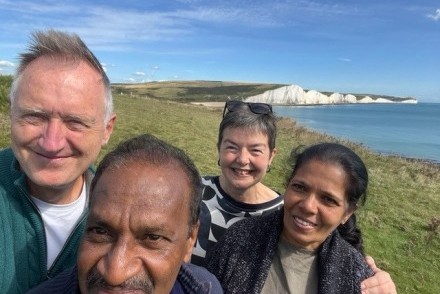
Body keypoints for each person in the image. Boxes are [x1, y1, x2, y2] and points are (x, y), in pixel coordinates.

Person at [27, 134, 223, 293]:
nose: (114, 273)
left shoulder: (204, 287)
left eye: (153, 238)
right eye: (100, 232)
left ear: (190, 240)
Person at [0, 29, 115, 293]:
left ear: (107, 129)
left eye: (75, 122)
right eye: (34, 117)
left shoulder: (123, 212)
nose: (51, 143)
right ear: (12, 113)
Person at [205, 142, 396, 294]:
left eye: (328, 199)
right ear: (287, 186)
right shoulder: (239, 239)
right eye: (300, 188)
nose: (308, 206)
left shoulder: (359, 277)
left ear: (347, 213)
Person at [191, 100, 284, 266]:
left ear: (271, 156)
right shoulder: (191, 191)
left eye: (255, 150)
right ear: (219, 149)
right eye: (232, 147)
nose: (242, 159)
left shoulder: (285, 215)